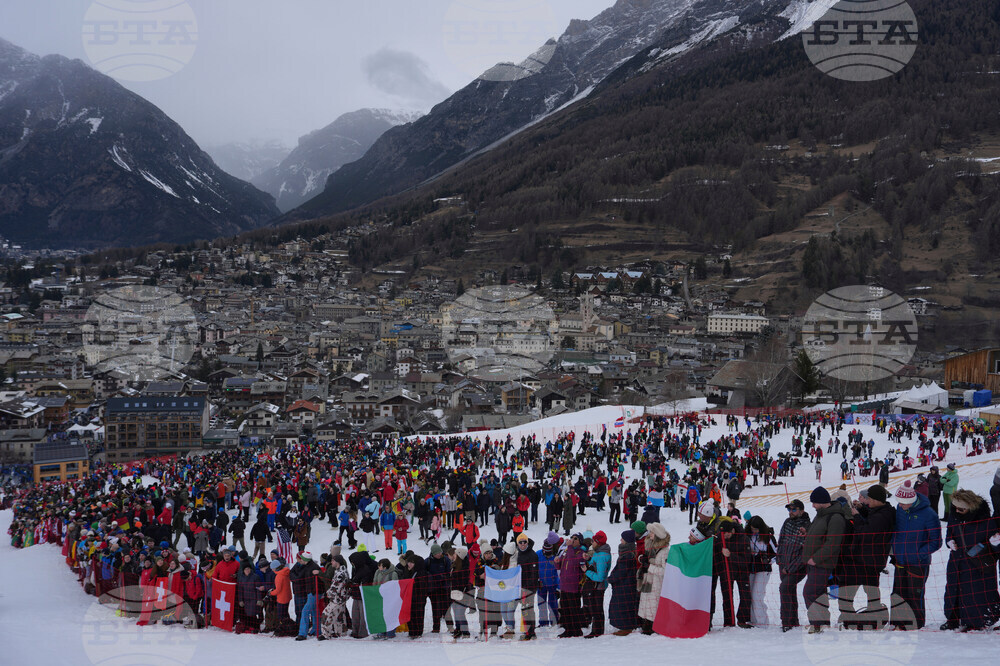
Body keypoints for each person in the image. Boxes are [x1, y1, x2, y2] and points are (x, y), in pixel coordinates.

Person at [940, 489, 1000, 631]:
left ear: (971, 508)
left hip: (977, 566)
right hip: (956, 562)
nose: (957, 511)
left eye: (961, 509)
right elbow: (950, 532)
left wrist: (995, 544)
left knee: (974, 594)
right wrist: (949, 541)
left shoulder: (987, 522)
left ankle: (976, 622)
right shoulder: (954, 516)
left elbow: (995, 551)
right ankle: (953, 619)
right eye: (955, 507)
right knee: (953, 591)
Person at [839, 484, 895, 629]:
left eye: (869, 499)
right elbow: (871, 518)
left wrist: (857, 516)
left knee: (856, 588)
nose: (867, 501)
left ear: (876, 499)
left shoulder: (882, 516)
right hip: (870, 558)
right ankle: (862, 615)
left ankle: (868, 615)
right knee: (868, 589)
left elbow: (865, 532)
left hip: (869, 559)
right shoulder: (882, 511)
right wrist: (863, 509)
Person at [890, 480, 942, 630]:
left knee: (914, 594)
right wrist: (895, 549)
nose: (900, 505)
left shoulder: (929, 514)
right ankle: (897, 622)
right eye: (899, 502)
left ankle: (914, 624)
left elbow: (936, 541)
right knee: (898, 593)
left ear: (911, 501)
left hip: (918, 562)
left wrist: (918, 554)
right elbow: (897, 531)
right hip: (900, 559)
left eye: (903, 503)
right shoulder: (900, 509)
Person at [801, 486, 849, 634]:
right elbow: (820, 534)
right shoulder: (820, 515)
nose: (812, 506)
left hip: (821, 563)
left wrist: (816, 559)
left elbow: (832, 544)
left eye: (814, 502)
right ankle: (822, 623)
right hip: (813, 562)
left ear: (822, 502)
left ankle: (817, 624)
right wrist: (808, 533)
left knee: (809, 592)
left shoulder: (835, 518)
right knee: (819, 594)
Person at [637, 522, 670, 635]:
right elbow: (649, 560)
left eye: (652, 532)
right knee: (646, 603)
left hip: (657, 583)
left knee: (654, 605)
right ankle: (646, 624)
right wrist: (642, 559)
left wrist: (649, 567)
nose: (649, 534)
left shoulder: (665, 551)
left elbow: (665, 571)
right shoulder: (651, 547)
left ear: (657, 534)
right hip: (648, 580)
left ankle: (654, 626)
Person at [608, 529, 640, 635]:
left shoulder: (627, 555)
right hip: (626, 584)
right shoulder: (628, 552)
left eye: (622, 538)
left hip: (625, 585)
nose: (620, 540)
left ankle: (626, 628)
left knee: (623, 606)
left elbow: (621, 571)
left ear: (627, 540)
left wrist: (611, 579)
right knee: (624, 605)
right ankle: (625, 626)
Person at [747, 515, 776, 627]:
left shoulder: (768, 537)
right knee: (749, 594)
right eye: (752, 529)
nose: (754, 531)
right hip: (751, 568)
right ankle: (753, 620)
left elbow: (777, 553)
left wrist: (768, 560)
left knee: (757, 595)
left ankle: (762, 622)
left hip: (763, 569)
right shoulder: (747, 535)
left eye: (756, 529)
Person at [581, 530, 612, 638]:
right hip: (596, 585)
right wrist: (589, 559)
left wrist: (587, 571)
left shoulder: (602, 555)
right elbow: (595, 563)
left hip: (598, 586)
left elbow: (600, 577)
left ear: (598, 543)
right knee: (595, 607)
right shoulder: (598, 552)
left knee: (597, 609)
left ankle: (597, 631)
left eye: (593, 541)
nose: (592, 543)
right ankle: (597, 629)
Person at [555, 532, 585, 637]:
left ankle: (576, 630)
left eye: (575, 538)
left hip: (573, 587)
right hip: (564, 585)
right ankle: (568, 629)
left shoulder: (581, 552)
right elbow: (559, 566)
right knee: (565, 609)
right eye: (572, 537)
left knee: (574, 609)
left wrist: (570, 547)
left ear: (580, 541)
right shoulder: (567, 551)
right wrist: (557, 561)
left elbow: (574, 563)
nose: (572, 539)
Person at [515, 533, 539, 640]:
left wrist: (526, 588)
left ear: (527, 543)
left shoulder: (532, 555)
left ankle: (531, 632)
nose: (523, 544)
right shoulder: (518, 554)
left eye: (524, 542)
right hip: (521, 587)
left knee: (528, 609)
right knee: (524, 610)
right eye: (520, 542)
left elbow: (534, 574)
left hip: (529, 588)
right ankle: (528, 631)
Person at [320, 554, 351, 639]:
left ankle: (326, 634)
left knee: (326, 614)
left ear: (337, 562)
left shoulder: (341, 573)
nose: (331, 562)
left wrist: (329, 593)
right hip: (340, 598)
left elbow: (336, 587)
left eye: (333, 561)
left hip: (337, 599)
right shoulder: (339, 571)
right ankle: (341, 632)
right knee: (339, 616)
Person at [372, 558, 399, 639]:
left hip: (389, 598)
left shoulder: (393, 574)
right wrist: (375, 590)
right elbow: (375, 581)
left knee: (390, 615)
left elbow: (395, 586)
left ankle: (390, 632)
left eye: (380, 565)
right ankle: (381, 631)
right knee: (381, 615)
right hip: (380, 596)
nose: (378, 567)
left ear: (385, 567)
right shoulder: (378, 572)